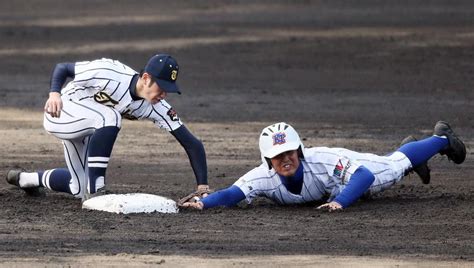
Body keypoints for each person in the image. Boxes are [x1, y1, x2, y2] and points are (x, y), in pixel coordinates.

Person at [6, 54, 211, 201]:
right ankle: (98, 188)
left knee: (78, 188)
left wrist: (203, 186)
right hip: (61, 112)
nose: (164, 94)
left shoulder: (156, 107)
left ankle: (25, 179)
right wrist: (54, 94)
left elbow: (192, 143)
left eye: (169, 90)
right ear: (146, 78)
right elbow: (64, 68)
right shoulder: (109, 71)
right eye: (162, 87)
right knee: (110, 116)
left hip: (88, 126)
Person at [180, 121, 466, 211]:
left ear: (300, 151)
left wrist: (340, 203)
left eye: (290, 152)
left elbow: (363, 175)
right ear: (268, 161)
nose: (286, 159)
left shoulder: (322, 161)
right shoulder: (263, 177)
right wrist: (203, 204)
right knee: (397, 164)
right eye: (278, 156)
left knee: (391, 168)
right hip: (335, 186)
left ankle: (442, 138)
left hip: (347, 173)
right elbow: (233, 193)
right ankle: (414, 155)